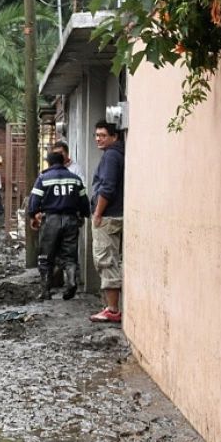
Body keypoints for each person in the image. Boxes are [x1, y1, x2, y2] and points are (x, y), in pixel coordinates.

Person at [27, 151, 91, 300]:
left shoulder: (43, 178)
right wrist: (83, 215)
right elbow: (83, 200)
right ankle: (71, 282)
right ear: (63, 162)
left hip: (51, 220)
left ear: (48, 163)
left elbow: (34, 199)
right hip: (70, 219)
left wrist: (33, 215)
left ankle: (45, 290)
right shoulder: (75, 179)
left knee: (45, 256)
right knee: (70, 255)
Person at [89, 120, 125, 323]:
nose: (98, 139)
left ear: (114, 137)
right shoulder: (117, 154)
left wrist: (97, 214)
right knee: (109, 259)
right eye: (96, 135)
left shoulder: (111, 156)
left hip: (108, 215)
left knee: (105, 259)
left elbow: (107, 188)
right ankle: (111, 307)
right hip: (113, 214)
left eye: (103, 135)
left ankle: (112, 309)